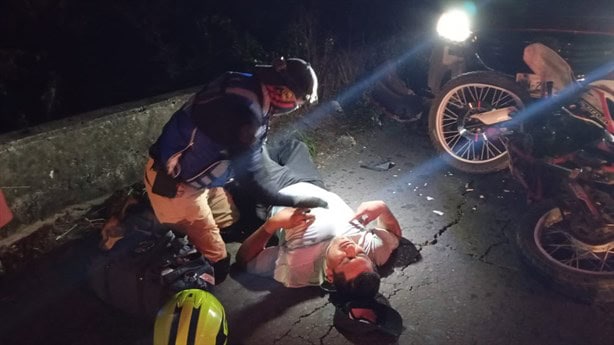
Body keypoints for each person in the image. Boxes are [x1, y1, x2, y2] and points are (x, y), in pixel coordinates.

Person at [144, 58, 327, 280]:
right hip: (175, 187)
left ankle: (188, 223)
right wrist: (295, 201)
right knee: (219, 264)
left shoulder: (242, 83)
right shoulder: (244, 119)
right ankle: (167, 226)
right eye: (297, 102)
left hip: (195, 175)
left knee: (234, 224)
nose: (295, 107)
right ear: (285, 94)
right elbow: (254, 182)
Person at [236, 139, 402, 299]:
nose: (351, 248)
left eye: (347, 259)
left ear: (330, 275)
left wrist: (273, 224)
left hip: (278, 193)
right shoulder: (374, 252)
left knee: (248, 147)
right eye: (360, 255)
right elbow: (394, 235)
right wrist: (382, 208)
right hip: (314, 186)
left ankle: (243, 172)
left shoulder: (296, 266)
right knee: (294, 146)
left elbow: (245, 261)